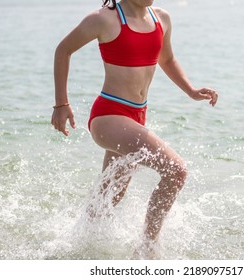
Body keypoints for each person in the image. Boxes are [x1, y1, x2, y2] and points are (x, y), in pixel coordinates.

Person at [51, 0, 218, 258]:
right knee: (176, 171)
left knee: (112, 195)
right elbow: (63, 50)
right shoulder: (104, 19)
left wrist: (191, 91)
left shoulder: (161, 18)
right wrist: (61, 103)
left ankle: (75, 245)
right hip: (109, 115)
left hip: (137, 115)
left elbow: (168, 58)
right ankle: (147, 251)